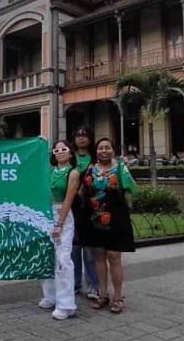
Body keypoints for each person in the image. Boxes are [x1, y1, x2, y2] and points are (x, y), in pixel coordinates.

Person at [83, 138, 137, 314]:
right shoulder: (90, 169)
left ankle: (118, 297)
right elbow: (82, 191)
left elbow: (132, 189)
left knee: (114, 257)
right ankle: (103, 294)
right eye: (100, 148)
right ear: (96, 151)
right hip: (95, 218)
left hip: (117, 218)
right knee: (99, 256)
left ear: (113, 150)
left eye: (107, 147)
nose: (103, 150)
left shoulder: (120, 167)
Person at [39, 140, 79, 320]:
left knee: (63, 259)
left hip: (63, 215)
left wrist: (59, 223)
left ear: (70, 153)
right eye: (56, 150)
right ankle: (50, 296)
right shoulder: (50, 171)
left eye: (64, 149)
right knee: (48, 256)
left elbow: (69, 200)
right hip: (47, 214)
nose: (60, 152)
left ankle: (66, 304)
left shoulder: (73, 173)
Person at [71, 126, 99, 298]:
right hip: (71, 206)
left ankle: (93, 285)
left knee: (89, 250)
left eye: (85, 135)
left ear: (90, 139)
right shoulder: (69, 156)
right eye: (78, 135)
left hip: (90, 207)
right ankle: (74, 283)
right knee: (73, 249)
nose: (81, 138)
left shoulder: (95, 158)